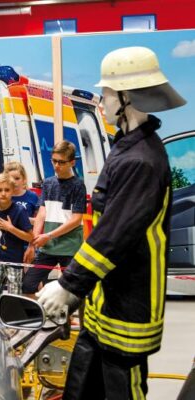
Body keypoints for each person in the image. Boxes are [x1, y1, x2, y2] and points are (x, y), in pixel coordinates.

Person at [37, 46, 186, 399]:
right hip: (105, 300)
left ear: (126, 97)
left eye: (105, 94)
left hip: (127, 306)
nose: (101, 103)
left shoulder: (141, 160)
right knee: (81, 386)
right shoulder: (127, 147)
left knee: (122, 390)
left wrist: (69, 285)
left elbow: (114, 235)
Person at [22, 141, 87, 297]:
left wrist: (49, 235)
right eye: (54, 161)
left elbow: (76, 219)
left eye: (61, 162)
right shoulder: (48, 183)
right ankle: (39, 312)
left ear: (72, 162)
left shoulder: (78, 185)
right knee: (28, 285)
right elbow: (41, 213)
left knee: (73, 290)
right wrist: (33, 243)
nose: (57, 165)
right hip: (48, 247)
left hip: (70, 247)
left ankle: (72, 314)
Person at [0, 173, 33, 309]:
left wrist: (11, 228)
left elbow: (30, 237)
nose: (3, 193)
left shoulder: (19, 211)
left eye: (7, 190)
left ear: (13, 191)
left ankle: (13, 320)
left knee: (14, 295)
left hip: (14, 259)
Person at [4, 161, 39, 264]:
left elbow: (39, 221)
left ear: (24, 179)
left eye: (17, 178)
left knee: (30, 273)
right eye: (10, 178)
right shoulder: (4, 196)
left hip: (28, 243)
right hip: (9, 245)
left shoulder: (32, 196)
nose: (14, 182)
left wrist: (23, 220)